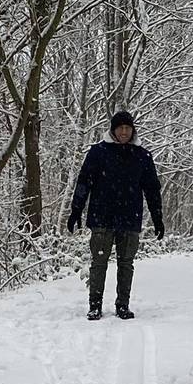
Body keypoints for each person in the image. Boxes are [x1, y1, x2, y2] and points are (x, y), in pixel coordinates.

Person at [67, 110, 164, 320]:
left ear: (133, 130)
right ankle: (95, 304)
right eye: (120, 128)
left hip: (130, 218)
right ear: (113, 129)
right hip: (102, 217)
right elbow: (84, 182)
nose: (124, 132)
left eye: (128, 128)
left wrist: (157, 217)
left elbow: (152, 189)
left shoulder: (142, 156)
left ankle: (123, 305)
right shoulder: (98, 153)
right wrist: (76, 210)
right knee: (98, 263)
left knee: (126, 263)